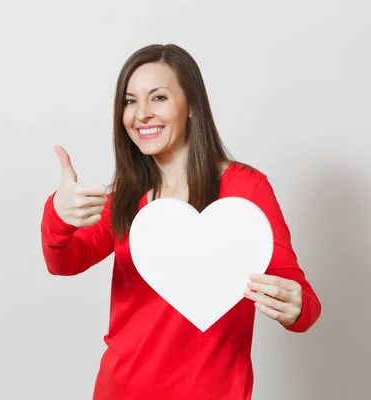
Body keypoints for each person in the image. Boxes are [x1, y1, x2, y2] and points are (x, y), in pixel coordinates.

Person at [40, 44, 321, 400]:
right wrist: (58, 214)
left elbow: (304, 302)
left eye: (158, 98)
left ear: (190, 106)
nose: (141, 114)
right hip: (120, 390)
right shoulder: (124, 199)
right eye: (129, 101)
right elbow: (63, 262)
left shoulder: (246, 189)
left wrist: (294, 309)